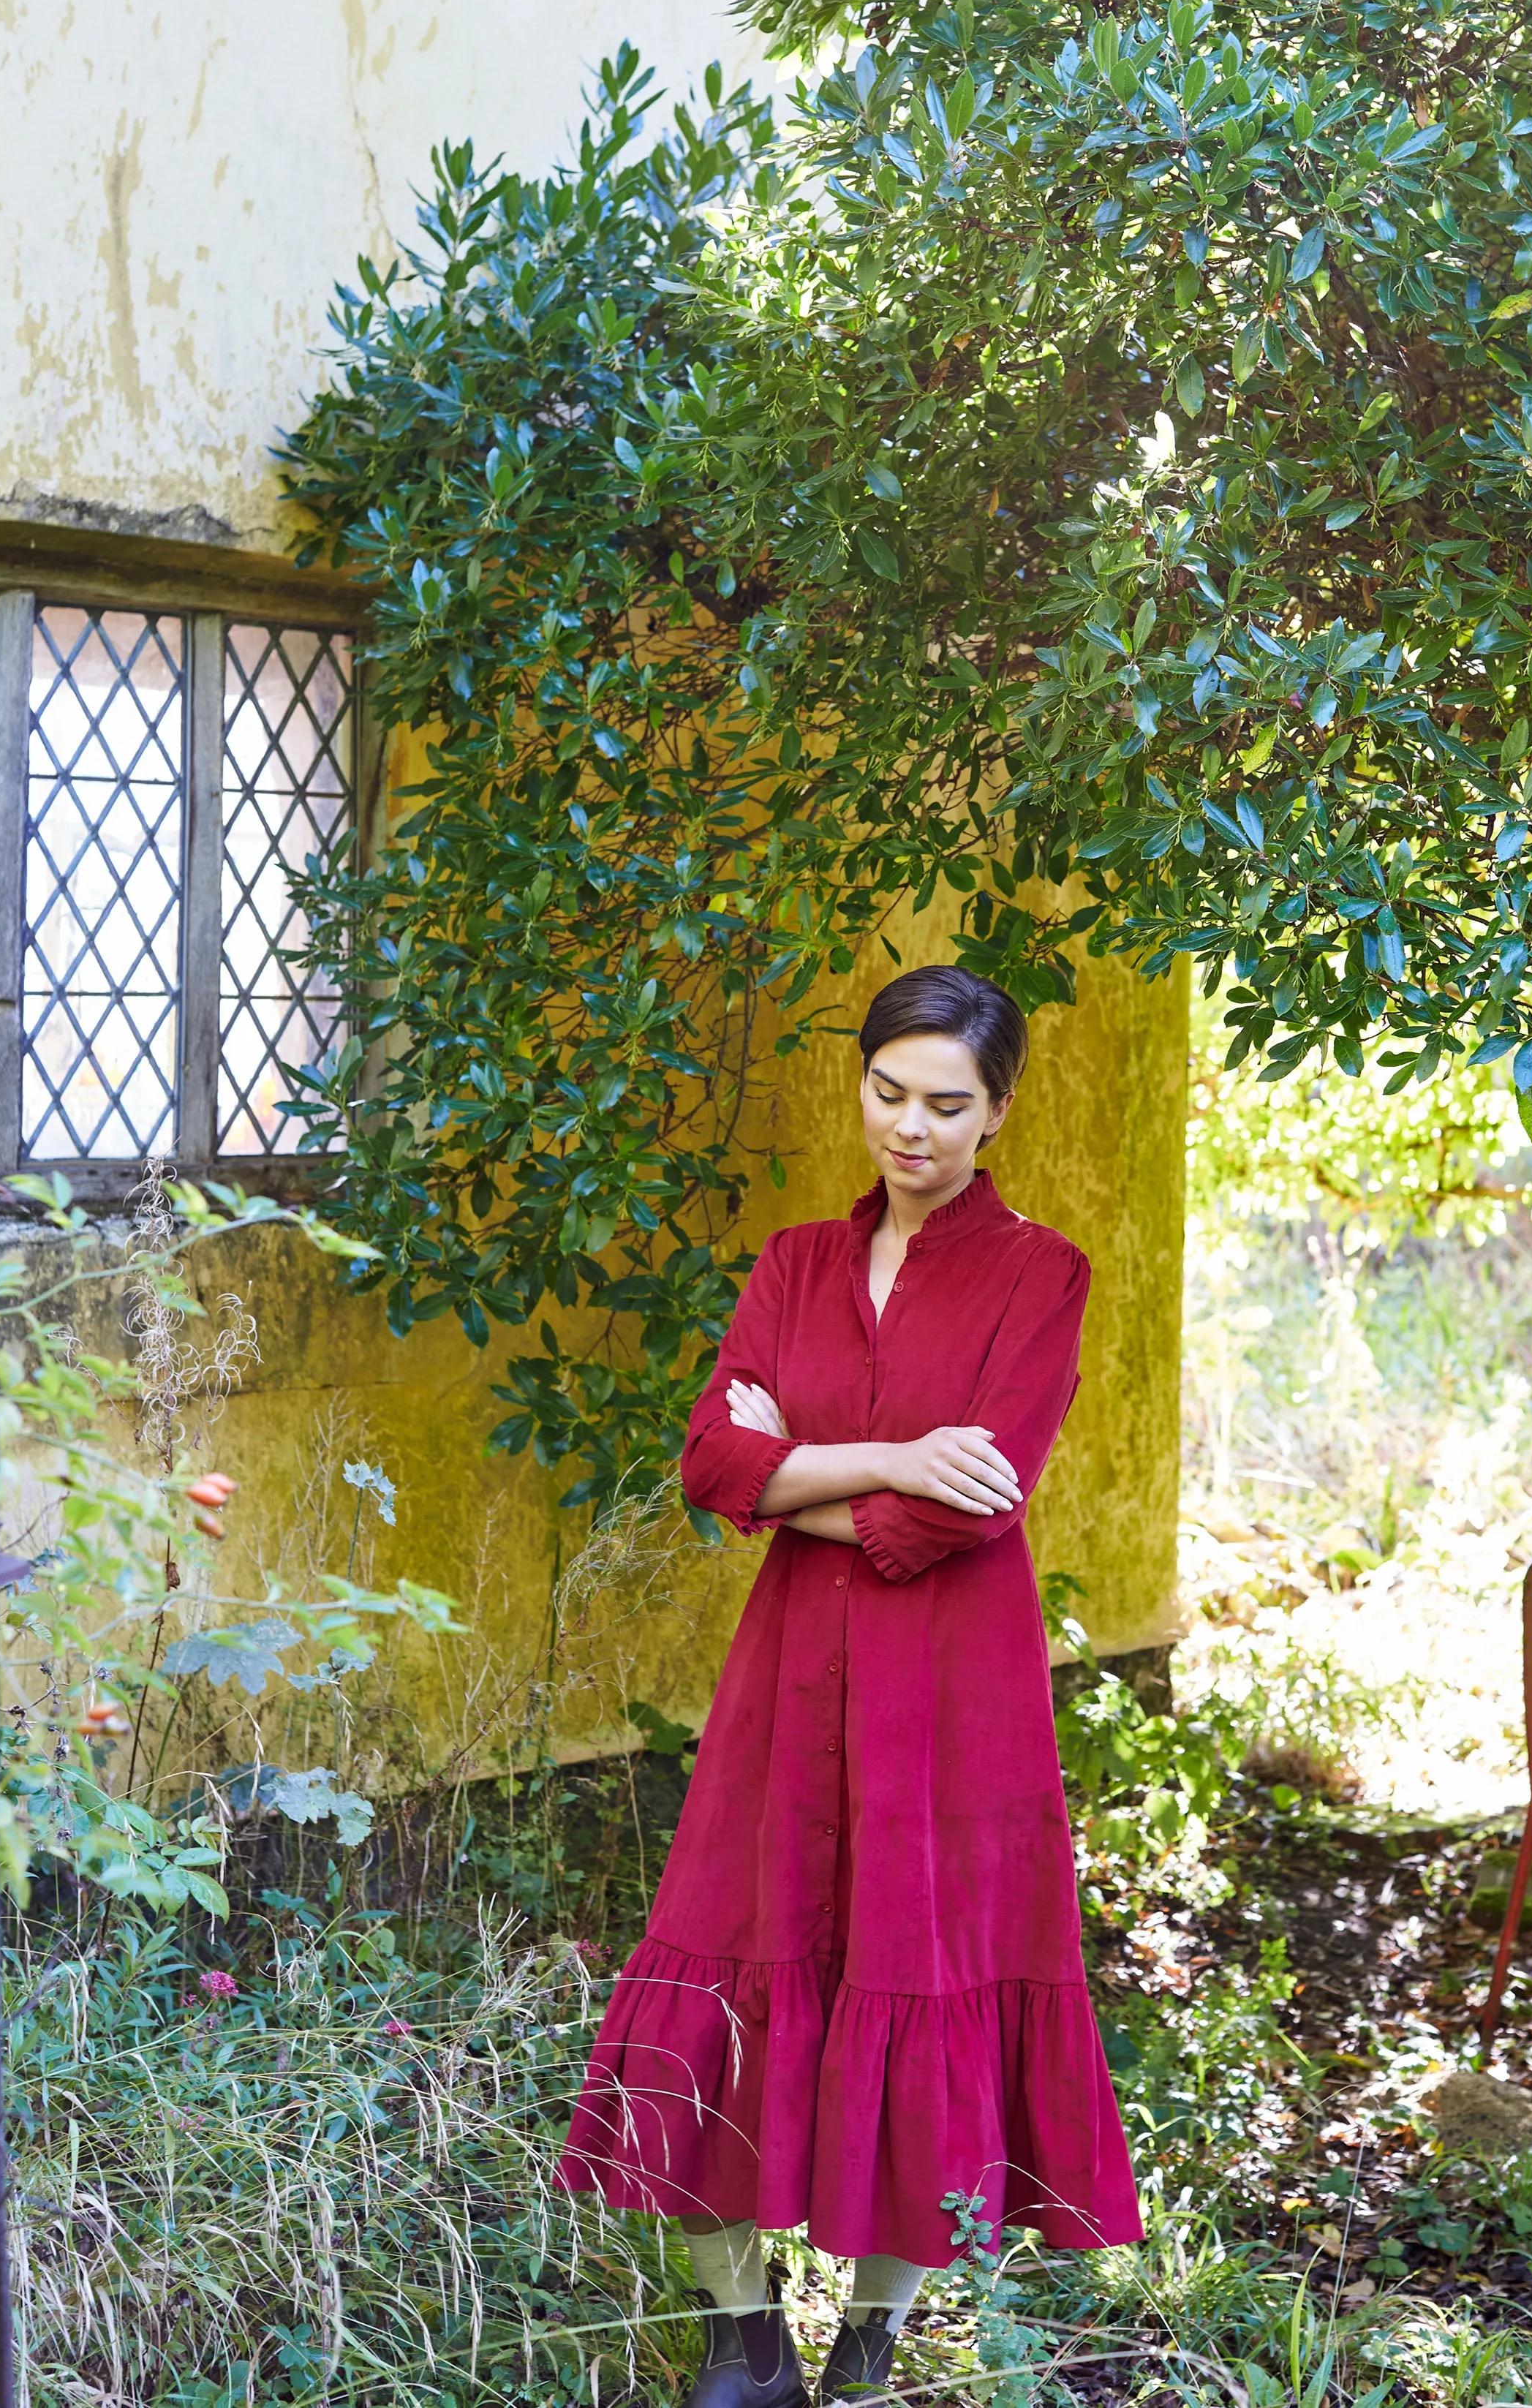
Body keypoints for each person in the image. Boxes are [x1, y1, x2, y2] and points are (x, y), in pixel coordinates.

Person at [558, 963, 1142, 2407]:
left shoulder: (1041, 1275)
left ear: (995, 1112)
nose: (912, 1128)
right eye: (889, 1092)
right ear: (863, 1082)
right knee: (722, 1948)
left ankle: (868, 2345)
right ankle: (743, 2341)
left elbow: (969, 1509)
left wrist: (795, 1471)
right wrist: (886, 1457)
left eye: (948, 1105)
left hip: (952, 1692)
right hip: (787, 1678)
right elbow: (709, 1462)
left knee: (920, 1972)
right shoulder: (795, 1265)